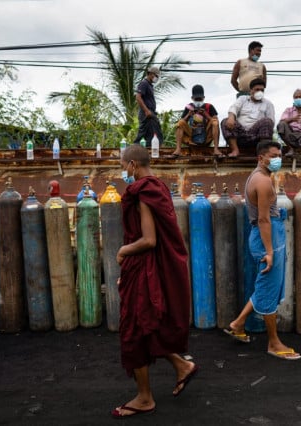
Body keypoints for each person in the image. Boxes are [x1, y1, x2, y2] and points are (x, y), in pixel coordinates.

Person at [111, 144, 197, 418]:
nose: (123, 171)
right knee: (148, 324)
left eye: (123, 166)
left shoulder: (143, 193)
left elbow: (149, 240)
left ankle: (145, 398)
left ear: (133, 165)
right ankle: (182, 366)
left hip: (144, 266)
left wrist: (124, 251)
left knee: (134, 329)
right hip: (146, 268)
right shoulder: (157, 186)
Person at [223, 140, 301, 361]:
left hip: (266, 234)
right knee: (268, 289)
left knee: (265, 285)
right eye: (274, 155)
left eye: (280, 154)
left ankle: (238, 324)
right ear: (261, 158)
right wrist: (269, 251)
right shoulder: (263, 182)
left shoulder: (257, 176)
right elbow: (264, 219)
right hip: (268, 236)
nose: (278, 159)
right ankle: (274, 343)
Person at [221, 78, 275, 158]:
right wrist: (231, 117)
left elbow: (271, 122)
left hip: (257, 137)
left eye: (262, 90)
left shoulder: (268, 104)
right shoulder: (242, 99)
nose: (259, 92)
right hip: (240, 134)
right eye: (257, 89)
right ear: (251, 90)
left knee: (267, 121)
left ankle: (262, 153)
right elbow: (234, 108)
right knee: (226, 121)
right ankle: (235, 150)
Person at [170, 84, 223, 158]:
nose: (198, 101)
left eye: (200, 99)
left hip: (206, 136)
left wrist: (205, 114)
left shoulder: (209, 106)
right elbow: (182, 122)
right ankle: (178, 149)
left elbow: (215, 122)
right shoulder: (189, 106)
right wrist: (188, 114)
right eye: (196, 99)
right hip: (191, 136)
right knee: (180, 123)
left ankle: (216, 149)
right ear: (192, 98)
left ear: (204, 98)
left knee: (214, 122)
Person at [133, 66, 164, 146]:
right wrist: (146, 110)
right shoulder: (144, 83)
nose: (157, 78)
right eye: (156, 76)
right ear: (150, 74)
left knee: (154, 134)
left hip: (151, 112)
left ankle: (149, 153)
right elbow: (138, 97)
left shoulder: (149, 85)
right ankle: (133, 151)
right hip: (146, 113)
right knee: (142, 135)